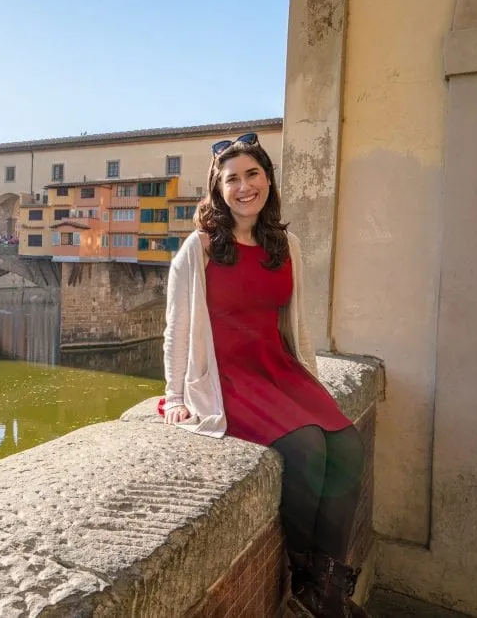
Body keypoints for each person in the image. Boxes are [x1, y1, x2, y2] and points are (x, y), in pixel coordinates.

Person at [159, 133, 367, 618]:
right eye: (232, 179)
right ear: (218, 190)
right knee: (307, 446)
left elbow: (297, 323)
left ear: (268, 180)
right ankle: (310, 581)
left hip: (277, 366)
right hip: (228, 376)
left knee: (347, 445)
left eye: (252, 174)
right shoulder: (201, 247)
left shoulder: (286, 244)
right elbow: (177, 327)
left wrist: (309, 377)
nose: (244, 186)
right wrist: (174, 395)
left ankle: (325, 590)